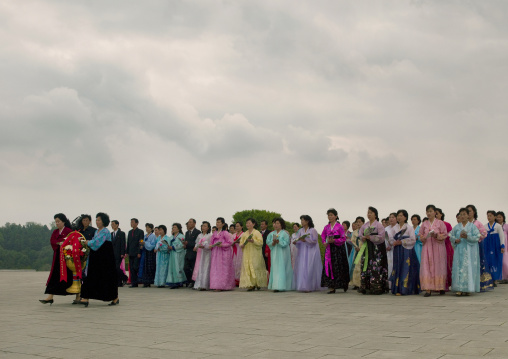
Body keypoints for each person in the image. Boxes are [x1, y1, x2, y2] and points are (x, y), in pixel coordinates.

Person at [79, 212, 119, 307]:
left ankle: (114, 297)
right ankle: (86, 297)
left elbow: (97, 243)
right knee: (92, 276)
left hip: (105, 259)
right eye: (96, 220)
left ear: (103, 221)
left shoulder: (105, 231)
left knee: (106, 278)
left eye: (99, 220)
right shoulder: (96, 231)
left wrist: (87, 242)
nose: (97, 222)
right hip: (96, 258)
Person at [40, 213, 74, 305]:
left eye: (58, 221)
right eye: (56, 222)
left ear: (63, 221)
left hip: (67, 257)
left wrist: (63, 243)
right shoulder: (55, 232)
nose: (57, 223)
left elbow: (71, 241)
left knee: (70, 276)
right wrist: (59, 243)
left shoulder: (68, 231)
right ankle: (50, 296)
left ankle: (77, 294)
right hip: (57, 256)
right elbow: (52, 241)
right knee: (55, 275)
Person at [357, 208, 388, 295]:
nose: (369, 214)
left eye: (371, 213)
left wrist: (370, 237)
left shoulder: (379, 225)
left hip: (376, 249)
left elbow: (382, 237)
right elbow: (360, 235)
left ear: (375, 214)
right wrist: (363, 237)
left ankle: (377, 287)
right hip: (367, 248)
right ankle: (365, 287)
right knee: (366, 265)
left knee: (376, 266)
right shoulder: (365, 225)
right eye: (368, 213)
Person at [450, 208, 481, 296]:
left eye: (464, 214)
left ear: (468, 215)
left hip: (469, 252)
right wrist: (455, 240)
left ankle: (468, 288)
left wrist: (467, 236)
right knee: (458, 268)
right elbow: (451, 236)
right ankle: (459, 288)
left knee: (468, 268)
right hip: (459, 250)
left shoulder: (472, 227)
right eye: (461, 214)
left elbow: (477, 237)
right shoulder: (456, 227)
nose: (462, 216)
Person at [419, 205, 448, 297]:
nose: (429, 213)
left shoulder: (440, 223)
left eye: (431, 211)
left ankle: (441, 287)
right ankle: (428, 289)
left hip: (438, 247)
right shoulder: (424, 224)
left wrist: (436, 236)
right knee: (427, 266)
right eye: (427, 211)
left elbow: (445, 234)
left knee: (439, 265)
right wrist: (424, 237)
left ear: (435, 212)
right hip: (427, 247)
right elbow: (420, 235)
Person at [389, 210, 420, 296]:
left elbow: (413, 240)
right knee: (397, 267)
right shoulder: (394, 228)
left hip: (406, 250)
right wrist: (393, 242)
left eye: (401, 215)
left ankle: (405, 289)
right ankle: (397, 288)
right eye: (398, 215)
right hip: (397, 250)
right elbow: (390, 238)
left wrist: (402, 242)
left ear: (405, 217)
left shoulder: (409, 227)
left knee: (405, 268)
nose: (399, 217)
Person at [321, 208, 349, 294]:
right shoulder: (326, 227)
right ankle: (331, 286)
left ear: (336, 216)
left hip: (338, 249)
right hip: (329, 249)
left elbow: (343, 238)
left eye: (331, 215)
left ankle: (343, 284)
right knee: (329, 267)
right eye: (328, 215)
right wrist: (324, 243)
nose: (330, 217)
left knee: (339, 266)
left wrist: (335, 241)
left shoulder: (340, 226)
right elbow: (323, 236)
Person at [293, 215, 323, 292]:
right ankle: (303, 285)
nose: (302, 222)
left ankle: (310, 286)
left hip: (311, 251)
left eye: (303, 220)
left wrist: (305, 240)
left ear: (307, 221)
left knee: (310, 267)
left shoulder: (312, 230)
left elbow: (315, 241)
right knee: (303, 267)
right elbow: (299, 240)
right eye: (301, 220)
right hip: (303, 251)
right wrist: (296, 241)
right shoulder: (300, 231)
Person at [467, 204, 493, 291]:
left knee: (478, 263)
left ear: (474, 212)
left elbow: (484, 233)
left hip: (477, 245)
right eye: (467, 211)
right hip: (466, 247)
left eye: (470, 211)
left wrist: (475, 238)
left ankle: (480, 284)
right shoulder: (465, 224)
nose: (468, 213)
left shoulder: (477, 223)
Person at [239, 218, 268, 291]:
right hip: (247, 253)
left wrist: (253, 241)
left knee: (255, 267)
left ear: (253, 224)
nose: (247, 224)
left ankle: (257, 283)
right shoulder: (245, 234)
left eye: (249, 223)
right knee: (248, 267)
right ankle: (250, 284)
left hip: (255, 254)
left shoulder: (257, 232)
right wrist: (241, 245)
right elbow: (241, 242)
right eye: (247, 223)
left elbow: (261, 243)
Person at [267, 218, 294, 292]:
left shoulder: (284, 233)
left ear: (281, 224)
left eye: (278, 223)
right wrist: (273, 243)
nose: (276, 225)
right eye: (275, 223)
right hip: (274, 253)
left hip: (283, 253)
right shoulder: (271, 234)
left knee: (282, 268)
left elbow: (286, 243)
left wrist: (279, 242)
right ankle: (276, 285)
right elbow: (268, 242)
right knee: (275, 268)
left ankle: (282, 285)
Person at [209, 217, 235, 291]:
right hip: (215, 252)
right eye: (217, 222)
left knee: (222, 269)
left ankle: (223, 285)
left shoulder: (225, 233)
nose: (217, 223)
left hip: (223, 253)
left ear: (223, 224)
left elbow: (230, 243)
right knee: (215, 269)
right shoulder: (214, 233)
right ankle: (216, 285)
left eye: (219, 222)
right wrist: (211, 245)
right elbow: (211, 242)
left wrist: (222, 245)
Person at [435, 208, 454, 291]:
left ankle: (446, 284)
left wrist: (441, 238)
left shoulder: (447, 224)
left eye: (437, 213)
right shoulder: (432, 225)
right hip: (435, 247)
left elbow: (450, 235)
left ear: (441, 214)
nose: (435, 215)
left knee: (446, 265)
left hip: (446, 246)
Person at [484, 210, 505, 283]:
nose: (489, 217)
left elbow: (502, 236)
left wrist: (502, 246)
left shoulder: (498, 226)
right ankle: (489, 279)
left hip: (496, 246)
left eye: (491, 216)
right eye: (488, 216)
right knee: (488, 261)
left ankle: (495, 279)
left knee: (496, 261)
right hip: (487, 245)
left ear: (494, 217)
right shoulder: (485, 226)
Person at [166, 223, 187, 289]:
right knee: (172, 267)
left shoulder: (181, 236)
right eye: (172, 227)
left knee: (178, 266)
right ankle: (173, 281)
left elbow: (182, 245)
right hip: (172, 253)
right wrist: (168, 247)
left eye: (174, 227)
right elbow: (168, 244)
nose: (173, 228)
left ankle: (179, 281)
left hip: (178, 253)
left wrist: (173, 247)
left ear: (178, 229)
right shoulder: (171, 237)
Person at [194, 221, 213, 290]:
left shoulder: (210, 236)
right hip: (200, 253)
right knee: (200, 268)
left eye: (205, 226)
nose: (203, 227)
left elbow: (211, 245)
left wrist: (205, 246)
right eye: (202, 226)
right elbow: (196, 242)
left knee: (206, 268)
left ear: (208, 228)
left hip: (207, 253)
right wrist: (195, 247)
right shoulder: (199, 235)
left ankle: (205, 285)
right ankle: (199, 284)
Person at [183, 219, 201, 288]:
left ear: (194, 223)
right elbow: (186, 242)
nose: (189, 224)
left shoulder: (197, 232)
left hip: (194, 253)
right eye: (188, 223)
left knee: (194, 268)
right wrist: (185, 245)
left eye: (190, 222)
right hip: (188, 252)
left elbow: (197, 243)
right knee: (185, 268)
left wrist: (188, 243)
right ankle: (190, 280)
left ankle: (194, 282)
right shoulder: (187, 232)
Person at [127, 218, 144, 288]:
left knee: (135, 267)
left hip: (137, 253)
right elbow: (128, 242)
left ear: (137, 223)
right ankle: (134, 283)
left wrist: (139, 252)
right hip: (130, 252)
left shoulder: (140, 232)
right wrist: (127, 252)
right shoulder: (130, 232)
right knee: (131, 268)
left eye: (133, 222)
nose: (131, 223)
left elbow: (141, 242)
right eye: (131, 222)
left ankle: (137, 281)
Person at [139, 223, 157, 287]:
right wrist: (142, 245)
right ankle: (145, 281)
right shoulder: (145, 235)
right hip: (145, 252)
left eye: (148, 227)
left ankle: (149, 281)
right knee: (144, 267)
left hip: (150, 253)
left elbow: (153, 245)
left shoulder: (153, 236)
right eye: (146, 227)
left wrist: (145, 243)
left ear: (151, 229)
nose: (147, 229)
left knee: (149, 267)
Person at [350, 216, 365, 289]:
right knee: (355, 267)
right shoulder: (355, 232)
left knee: (361, 267)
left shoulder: (365, 231)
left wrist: (361, 248)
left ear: (363, 223)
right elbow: (352, 241)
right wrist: (356, 247)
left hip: (363, 251)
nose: (358, 223)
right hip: (356, 251)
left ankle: (362, 283)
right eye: (357, 222)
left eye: (360, 222)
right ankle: (356, 283)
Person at [111, 220, 127, 287]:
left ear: (117, 225)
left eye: (113, 224)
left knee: (117, 268)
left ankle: (124, 277)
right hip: (112, 254)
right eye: (111, 224)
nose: (112, 225)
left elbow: (123, 243)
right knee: (114, 269)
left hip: (119, 253)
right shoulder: (111, 234)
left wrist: (122, 253)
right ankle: (119, 282)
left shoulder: (121, 233)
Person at [384, 213, 396, 289]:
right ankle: (389, 284)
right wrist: (386, 246)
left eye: (393, 217)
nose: (391, 219)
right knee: (389, 266)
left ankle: (395, 284)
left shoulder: (399, 228)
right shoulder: (386, 229)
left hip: (396, 250)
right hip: (388, 251)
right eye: (390, 217)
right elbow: (384, 239)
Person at [496, 211, 508, 282]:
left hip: (505, 246)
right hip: (498, 246)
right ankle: (500, 277)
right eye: (497, 217)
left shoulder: (506, 226)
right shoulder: (496, 226)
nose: (499, 218)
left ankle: (506, 277)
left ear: (503, 218)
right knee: (499, 261)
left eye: (500, 217)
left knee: (505, 262)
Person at [231, 222, 244, 286]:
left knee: (240, 264)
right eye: (236, 226)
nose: (237, 228)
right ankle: (235, 280)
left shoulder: (244, 234)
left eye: (238, 226)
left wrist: (240, 242)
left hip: (241, 251)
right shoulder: (233, 235)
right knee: (234, 264)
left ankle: (241, 280)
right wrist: (233, 243)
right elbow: (230, 243)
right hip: (234, 251)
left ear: (241, 227)